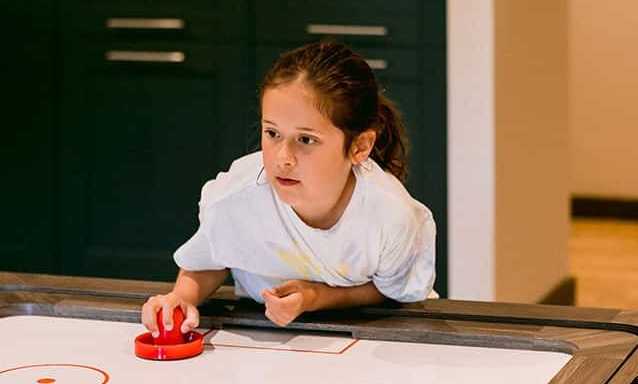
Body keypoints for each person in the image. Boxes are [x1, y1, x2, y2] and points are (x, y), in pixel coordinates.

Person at [140, 39, 437, 338]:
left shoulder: (390, 216)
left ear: (360, 146)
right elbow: (210, 259)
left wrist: (316, 297)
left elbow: (393, 293)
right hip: (269, 341)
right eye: (272, 133)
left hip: (371, 335)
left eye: (306, 139)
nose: (283, 158)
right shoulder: (235, 197)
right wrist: (182, 299)